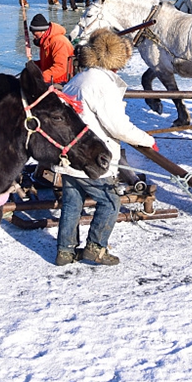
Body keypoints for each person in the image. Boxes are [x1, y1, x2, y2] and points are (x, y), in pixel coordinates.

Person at [55, 29, 156, 266]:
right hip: (92, 157)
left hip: (69, 155)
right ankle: (95, 248)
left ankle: (65, 252)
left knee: (72, 203)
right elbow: (117, 126)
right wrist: (146, 140)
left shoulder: (78, 79)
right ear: (115, 60)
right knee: (111, 201)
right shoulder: (102, 84)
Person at [29, 13, 74, 85]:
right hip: (51, 79)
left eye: (35, 34)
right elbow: (47, 62)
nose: (34, 37)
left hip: (61, 81)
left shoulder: (58, 42)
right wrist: (34, 65)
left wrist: (41, 78)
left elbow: (61, 67)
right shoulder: (45, 41)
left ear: (43, 31)